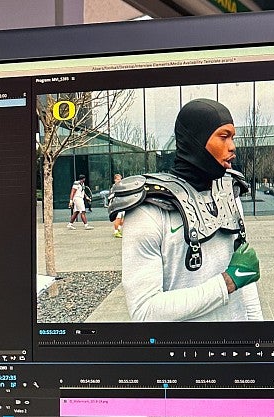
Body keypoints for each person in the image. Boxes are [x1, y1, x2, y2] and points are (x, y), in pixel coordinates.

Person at [108, 98, 262, 321]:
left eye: (233, 137)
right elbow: (144, 312)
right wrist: (227, 282)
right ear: (196, 140)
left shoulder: (230, 195)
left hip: (236, 348)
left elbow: (245, 279)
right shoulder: (148, 211)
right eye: (223, 136)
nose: (232, 146)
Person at [110, 173, 125, 238]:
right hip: (117, 204)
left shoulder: (121, 185)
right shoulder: (114, 187)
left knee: (122, 219)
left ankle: (118, 229)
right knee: (118, 218)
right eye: (118, 179)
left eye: (120, 179)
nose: (119, 180)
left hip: (122, 203)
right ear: (115, 180)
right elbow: (112, 195)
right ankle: (116, 232)